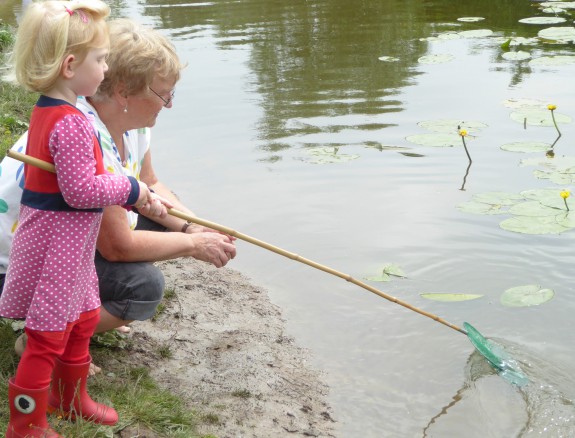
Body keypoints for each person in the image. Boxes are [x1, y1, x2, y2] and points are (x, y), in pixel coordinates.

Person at [0, 1, 172, 436]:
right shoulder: (73, 123)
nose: (106, 67)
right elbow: (81, 192)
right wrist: (131, 189)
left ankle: (69, 399)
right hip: (58, 245)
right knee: (46, 339)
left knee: (80, 322)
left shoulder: (53, 109)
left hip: (69, 245)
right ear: (72, 64)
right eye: (101, 59)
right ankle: (27, 423)